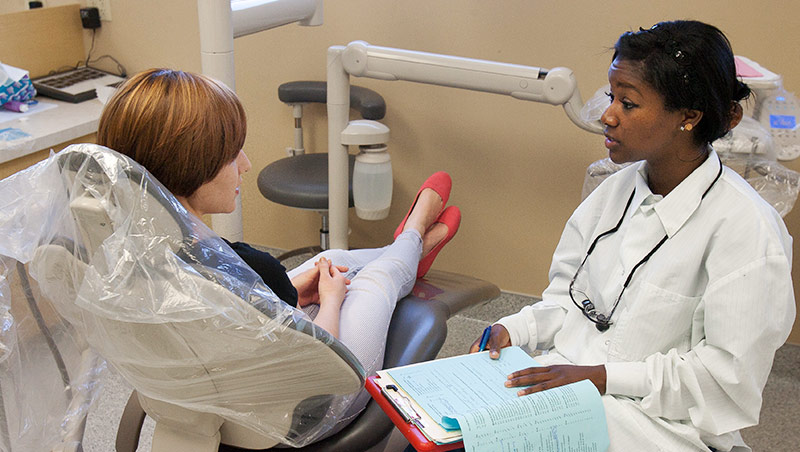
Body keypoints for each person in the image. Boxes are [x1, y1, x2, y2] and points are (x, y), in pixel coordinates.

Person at [468, 20, 795, 452]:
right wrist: (514, 328)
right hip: (571, 390)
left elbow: (724, 381)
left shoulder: (746, 230)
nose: (607, 115)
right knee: (437, 428)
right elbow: (569, 302)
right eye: (611, 96)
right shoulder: (612, 194)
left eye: (628, 103)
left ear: (689, 117)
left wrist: (602, 377)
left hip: (662, 428)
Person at [95, 68, 462, 441]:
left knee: (334, 256)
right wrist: (332, 302)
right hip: (304, 408)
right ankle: (413, 236)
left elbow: (231, 313)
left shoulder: (137, 255)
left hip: (225, 394)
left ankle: (403, 250)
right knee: (373, 281)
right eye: (231, 154)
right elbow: (321, 366)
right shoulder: (246, 268)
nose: (246, 164)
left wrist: (284, 290)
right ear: (191, 165)